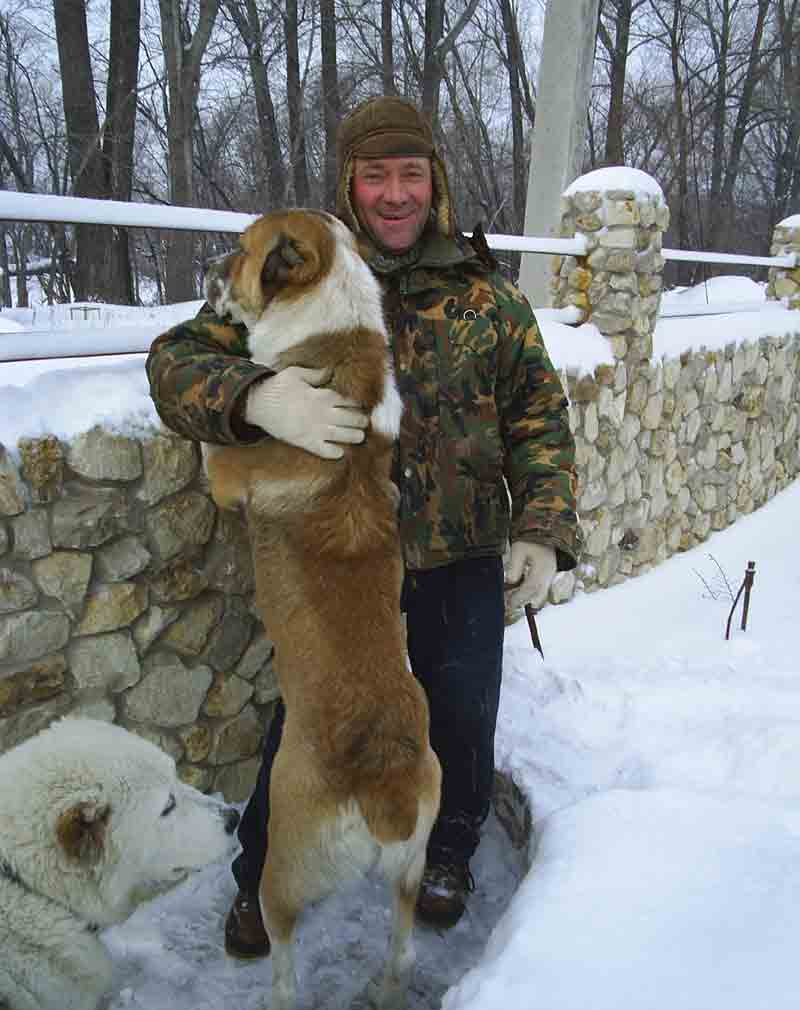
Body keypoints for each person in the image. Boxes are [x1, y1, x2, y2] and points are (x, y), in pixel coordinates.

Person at [146, 95, 583, 956]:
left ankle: (447, 852)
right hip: (340, 560)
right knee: (312, 720)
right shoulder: (305, 270)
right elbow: (173, 363)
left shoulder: (488, 296)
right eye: (375, 175)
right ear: (350, 182)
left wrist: (542, 527)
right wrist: (255, 397)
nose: (394, 193)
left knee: (461, 714)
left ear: (435, 180)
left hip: (456, 548)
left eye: (410, 173)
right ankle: (262, 875)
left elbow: (539, 415)